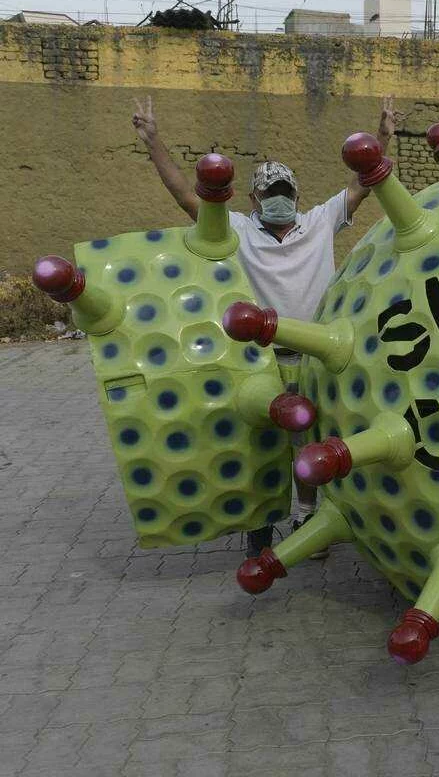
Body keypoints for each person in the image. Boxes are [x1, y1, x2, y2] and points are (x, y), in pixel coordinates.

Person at [132, 95, 400, 559]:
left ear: (297, 195)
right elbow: (185, 196)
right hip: (260, 359)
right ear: (254, 199)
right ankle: (262, 524)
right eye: (270, 193)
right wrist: (154, 141)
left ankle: (308, 517)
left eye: (286, 193)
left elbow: (365, 181)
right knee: (265, 442)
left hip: (317, 355)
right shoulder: (237, 230)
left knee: (313, 440)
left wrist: (383, 136)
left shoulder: (318, 222)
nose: (280, 201)